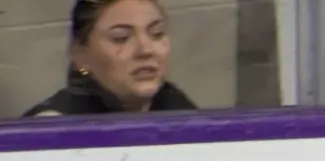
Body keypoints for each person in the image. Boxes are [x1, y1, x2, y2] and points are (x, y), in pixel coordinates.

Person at [24, 0, 196, 118]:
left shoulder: (182, 112)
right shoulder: (51, 130)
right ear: (79, 54)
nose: (146, 50)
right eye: (121, 38)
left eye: (156, 34)